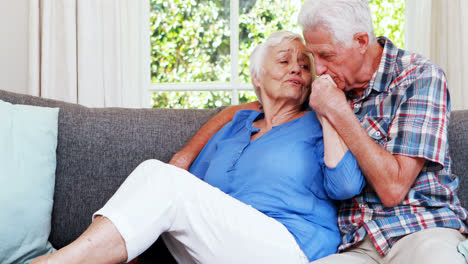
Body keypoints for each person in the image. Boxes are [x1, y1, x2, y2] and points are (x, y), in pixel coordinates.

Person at [170, 0, 468, 263]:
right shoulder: (327, 84)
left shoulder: (418, 77)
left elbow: (393, 188)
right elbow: (257, 105)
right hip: (354, 245)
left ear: (362, 41)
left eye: (326, 56)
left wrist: (338, 111)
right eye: (315, 58)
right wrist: (185, 157)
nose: (319, 70)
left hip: (421, 229)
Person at [32, 31, 365, 264]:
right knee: (162, 180)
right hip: (218, 250)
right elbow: (192, 196)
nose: (297, 68)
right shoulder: (235, 127)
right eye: (284, 61)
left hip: (291, 248)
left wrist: (328, 110)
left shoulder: (315, 124)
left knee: (159, 175)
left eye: (304, 66)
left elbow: (346, 184)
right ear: (256, 77)